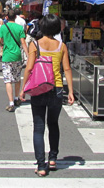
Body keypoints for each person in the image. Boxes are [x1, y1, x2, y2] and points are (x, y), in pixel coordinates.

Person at [19, 14, 74, 177]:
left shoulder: (35, 44)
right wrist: (70, 91)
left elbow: (29, 68)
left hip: (39, 87)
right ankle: (53, 159)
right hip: (56, 88)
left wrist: (23, 89)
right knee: (53, 124)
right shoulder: (61, 46)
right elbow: (67, 69)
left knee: (38, 127)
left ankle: (41, 166)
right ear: (57, 28)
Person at [0, 9, 28, 112]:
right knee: (17, 77)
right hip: (17, 55)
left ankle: (10, 103)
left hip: (7, 56)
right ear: (16, 17)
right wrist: (28, 55)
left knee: (8, 80)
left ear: (6, 17)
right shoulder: (19, 28)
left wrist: (3, 45)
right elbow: (23, 43)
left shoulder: (3, 27)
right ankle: (16, 98)